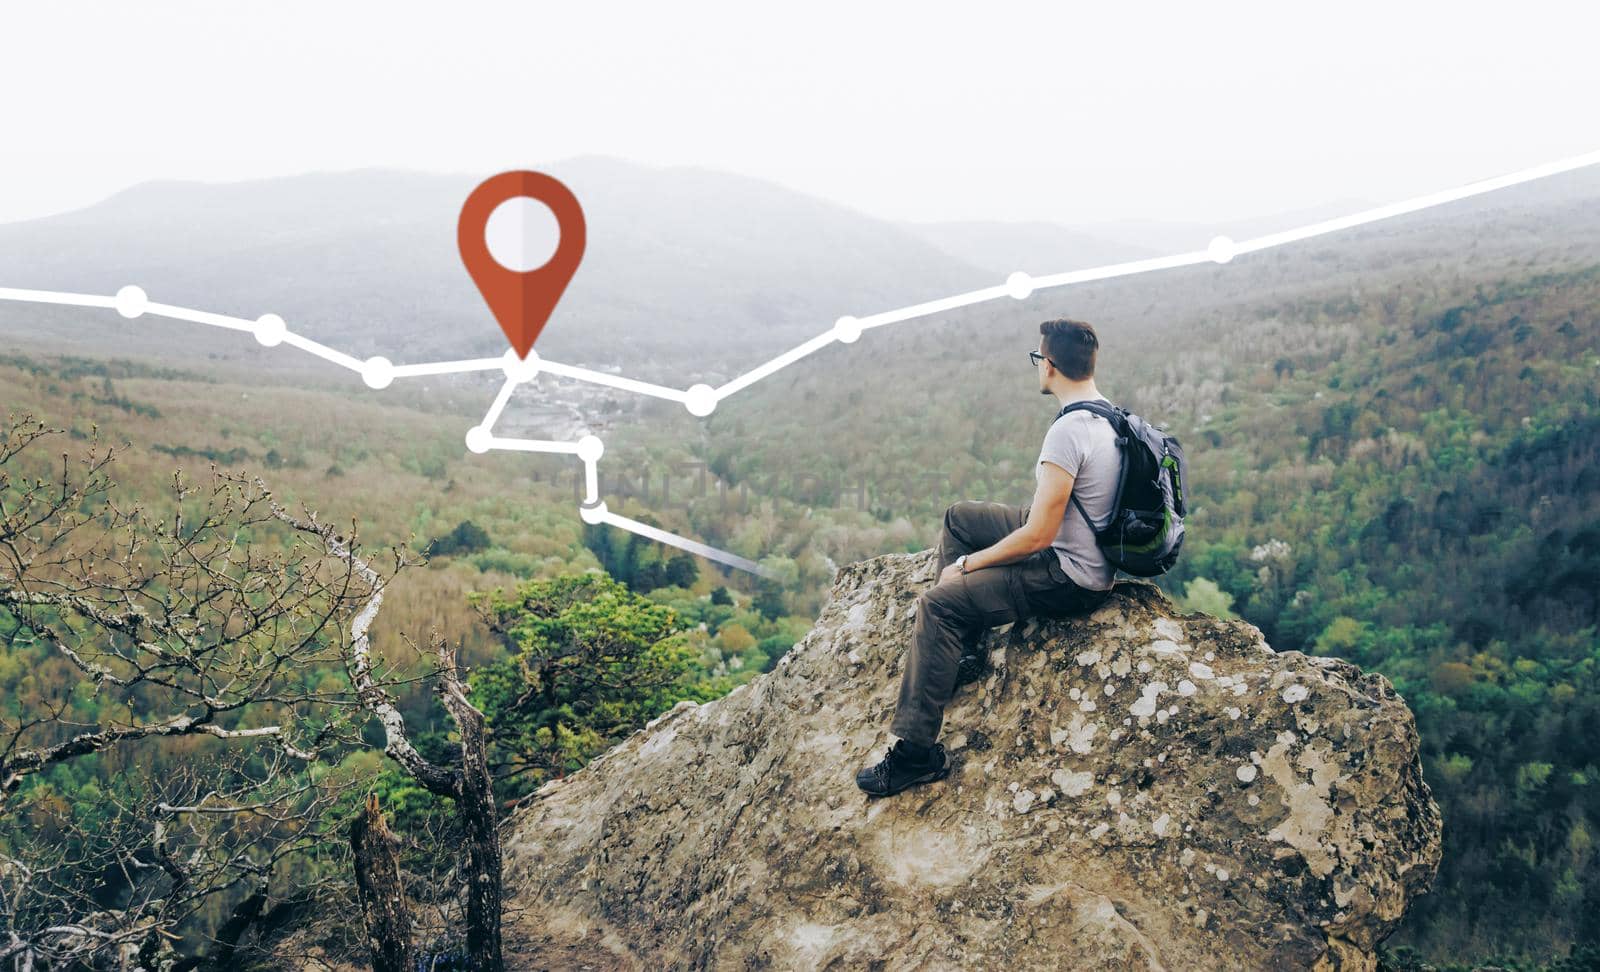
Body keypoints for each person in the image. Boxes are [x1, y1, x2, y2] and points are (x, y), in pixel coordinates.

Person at [856, 317, 1121, 798]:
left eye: (1037, 358)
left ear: (1050, 366)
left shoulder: (1068, 432)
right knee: (960, 519)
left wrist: (970, 566)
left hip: (1067, 576)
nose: (1036, 366)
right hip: (1086, 546)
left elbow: (1038, 536)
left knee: (939, 603)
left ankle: (916, 755)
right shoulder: (1110, 416)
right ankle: (967, 651)